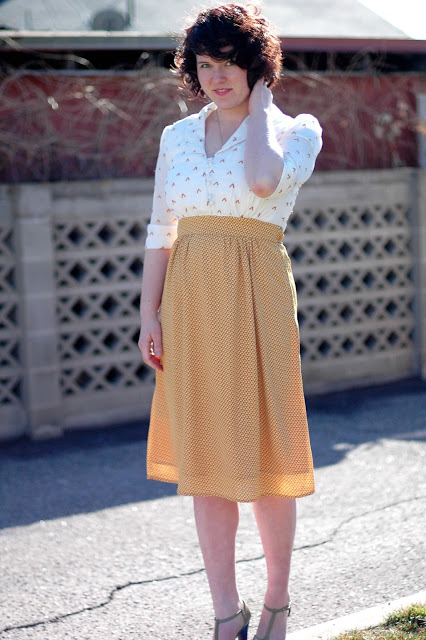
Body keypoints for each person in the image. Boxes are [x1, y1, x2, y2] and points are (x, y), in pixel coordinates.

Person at [139, 3, 322, 639]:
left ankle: (277, 604)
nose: (216, 76)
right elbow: (161, 228)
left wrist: (263, 106)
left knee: (268, 459)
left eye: (230, 62)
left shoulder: (295, 131)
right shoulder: (177, 137)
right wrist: (148, 313)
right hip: (189, 302)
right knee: (205, 461)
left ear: (256, 66)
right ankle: (226, 613)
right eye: (205, 64)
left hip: (257, 297)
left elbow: (264, 182)